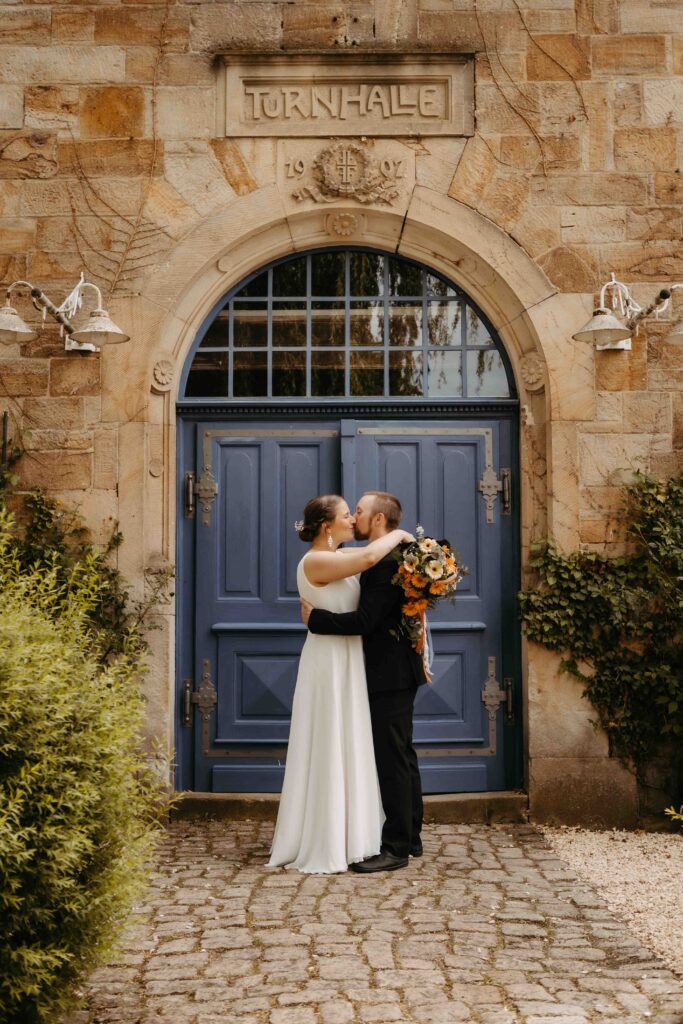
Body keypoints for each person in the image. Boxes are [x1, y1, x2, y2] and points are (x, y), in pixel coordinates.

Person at [267, 494, 414, 874]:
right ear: (326, 525)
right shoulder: (318, 560)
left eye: (356, 512)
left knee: (352, 744)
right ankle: (325, 834)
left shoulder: (340, 561)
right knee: (330, 742)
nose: (353, 518)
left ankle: (358, 833)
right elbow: (367, 558)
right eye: (347, 514)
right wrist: (399, 537)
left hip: (350, 660)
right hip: (328, 663)